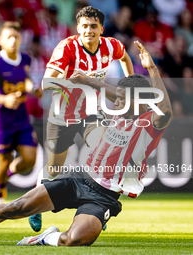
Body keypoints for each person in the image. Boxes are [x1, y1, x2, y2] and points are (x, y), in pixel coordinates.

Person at [0, 41, 172, 246]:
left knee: (74, 240)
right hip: (81, 179)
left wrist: (152, 70)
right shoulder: (120, 106)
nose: (116, 103)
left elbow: (166, 109)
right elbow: (112, 92)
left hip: (105, 197)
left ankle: (46, 239)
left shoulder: (150, 122)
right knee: (16, 207)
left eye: (123, 100)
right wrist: (89, 81)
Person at [29, 5, 134, 232]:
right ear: (78, 28)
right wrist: (73, 83)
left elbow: (125, 57)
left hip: (92, 113)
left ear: (101, 29)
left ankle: (97, 208)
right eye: (84, 26)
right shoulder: (67, 47)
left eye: (93, 26)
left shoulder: (110, 45)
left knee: (103, 153)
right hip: (62, 114)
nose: (89, 30)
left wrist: (129, 81)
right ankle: (36, 204)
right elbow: (46, 82)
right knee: (54, 169)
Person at [0, 21, 42, 205]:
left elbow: (25, 79)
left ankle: (6, 175)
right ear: (0, 41)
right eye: (9, 37)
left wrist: (33, 88)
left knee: (29, 159)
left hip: (21, 118)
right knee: (3, 161)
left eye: (16, 37)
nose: (13, 41)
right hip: (0, 121)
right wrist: (4, 99)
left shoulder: (26, 59)